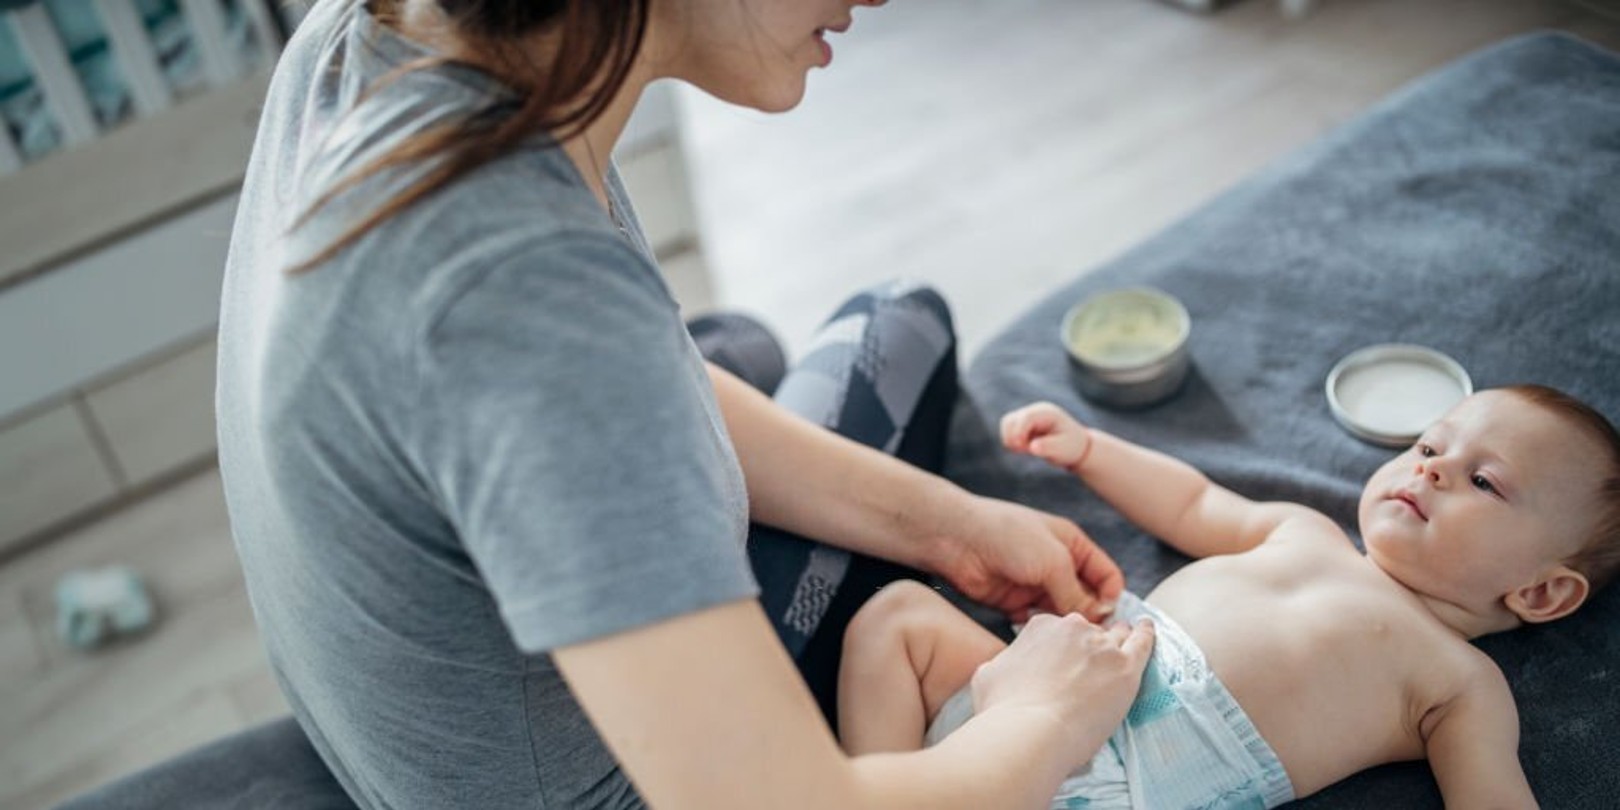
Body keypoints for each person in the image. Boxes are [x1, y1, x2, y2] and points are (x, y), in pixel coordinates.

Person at [214, 1, 1157, 808]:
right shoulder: (524, 289)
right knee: (898, 326)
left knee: (735, 344)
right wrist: (1044, 718)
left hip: (427, 737)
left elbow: (607, 387)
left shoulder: (382, 39)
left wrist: (950, 527)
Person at [839, 385, 1620, 808]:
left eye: (1482, 481)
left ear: (1544, 591)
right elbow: (1192, 505)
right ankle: (866, 788)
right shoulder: (1303, 529)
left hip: (1130, 790)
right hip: (1026, 692)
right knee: (896, 617)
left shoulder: (1458, 682)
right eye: (1427, 445)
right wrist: (1090, 451)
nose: (1433, 469)